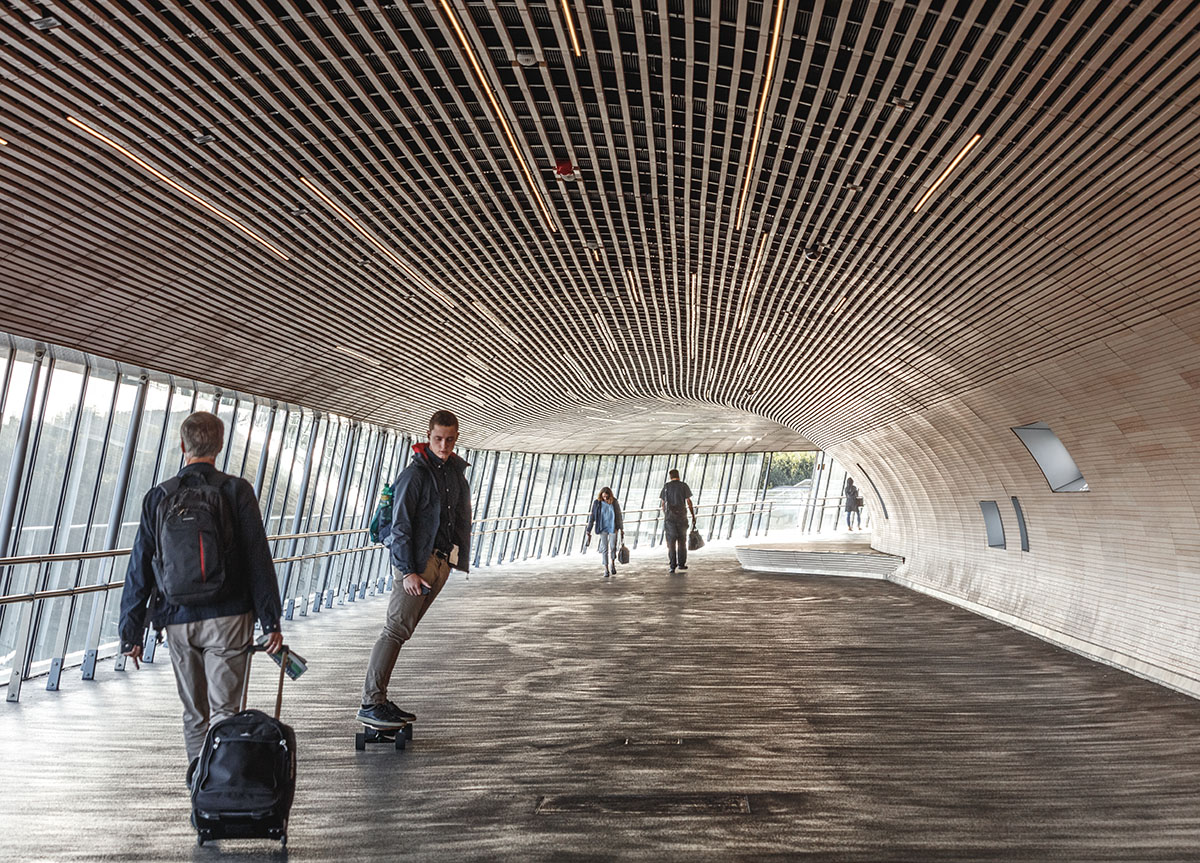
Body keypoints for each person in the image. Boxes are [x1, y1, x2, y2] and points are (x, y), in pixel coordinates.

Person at [118, 411, 283, 785]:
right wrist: (270, 619)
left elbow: (139, 567)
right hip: (229, 616)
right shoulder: (236, 491)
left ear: (182, 445)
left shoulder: (159, 496)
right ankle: (221, 788)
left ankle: (199, 786)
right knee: (225, 710)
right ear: (220, 446)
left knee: (195, 714)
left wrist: (131, 633)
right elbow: (257, 556)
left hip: (177, 618)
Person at [357, 410, 471, 729]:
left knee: (401, 632)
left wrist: (450, 562)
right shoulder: (415, 474)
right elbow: (401, 525)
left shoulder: (453, 474)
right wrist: (408, 571)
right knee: (395, 630)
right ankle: (371, 702)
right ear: (428, 435)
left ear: (456, 438)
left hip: (438, 563)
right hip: (416, 566)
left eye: (450, 440)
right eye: (438, 439)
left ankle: (379, 700)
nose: (444, 445)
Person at [659, 468, 696, 574]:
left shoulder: (666, 487)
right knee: (682, 542)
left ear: (670, 476)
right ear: (678, 476)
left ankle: (672, 566)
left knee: (671, 543)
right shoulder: (683, 486)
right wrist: (693, 515)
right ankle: (681, 564)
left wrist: (666, 515)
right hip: (682, 518)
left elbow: (663, 504)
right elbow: (689, 501)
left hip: (670, 519)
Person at [585, 487, 624, 577]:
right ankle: (606, 569)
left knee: (613, 547)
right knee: (604, 549)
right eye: (603, 497)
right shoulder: (597, 503)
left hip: (613, 528)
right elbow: (592, 517)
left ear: (610, 495)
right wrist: (588, 530)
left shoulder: (614, 502)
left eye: (607, 496)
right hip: (602, 528)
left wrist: (621, 529)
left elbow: (619, 516)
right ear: (601, 495)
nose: (605, 498)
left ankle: (612, 564)